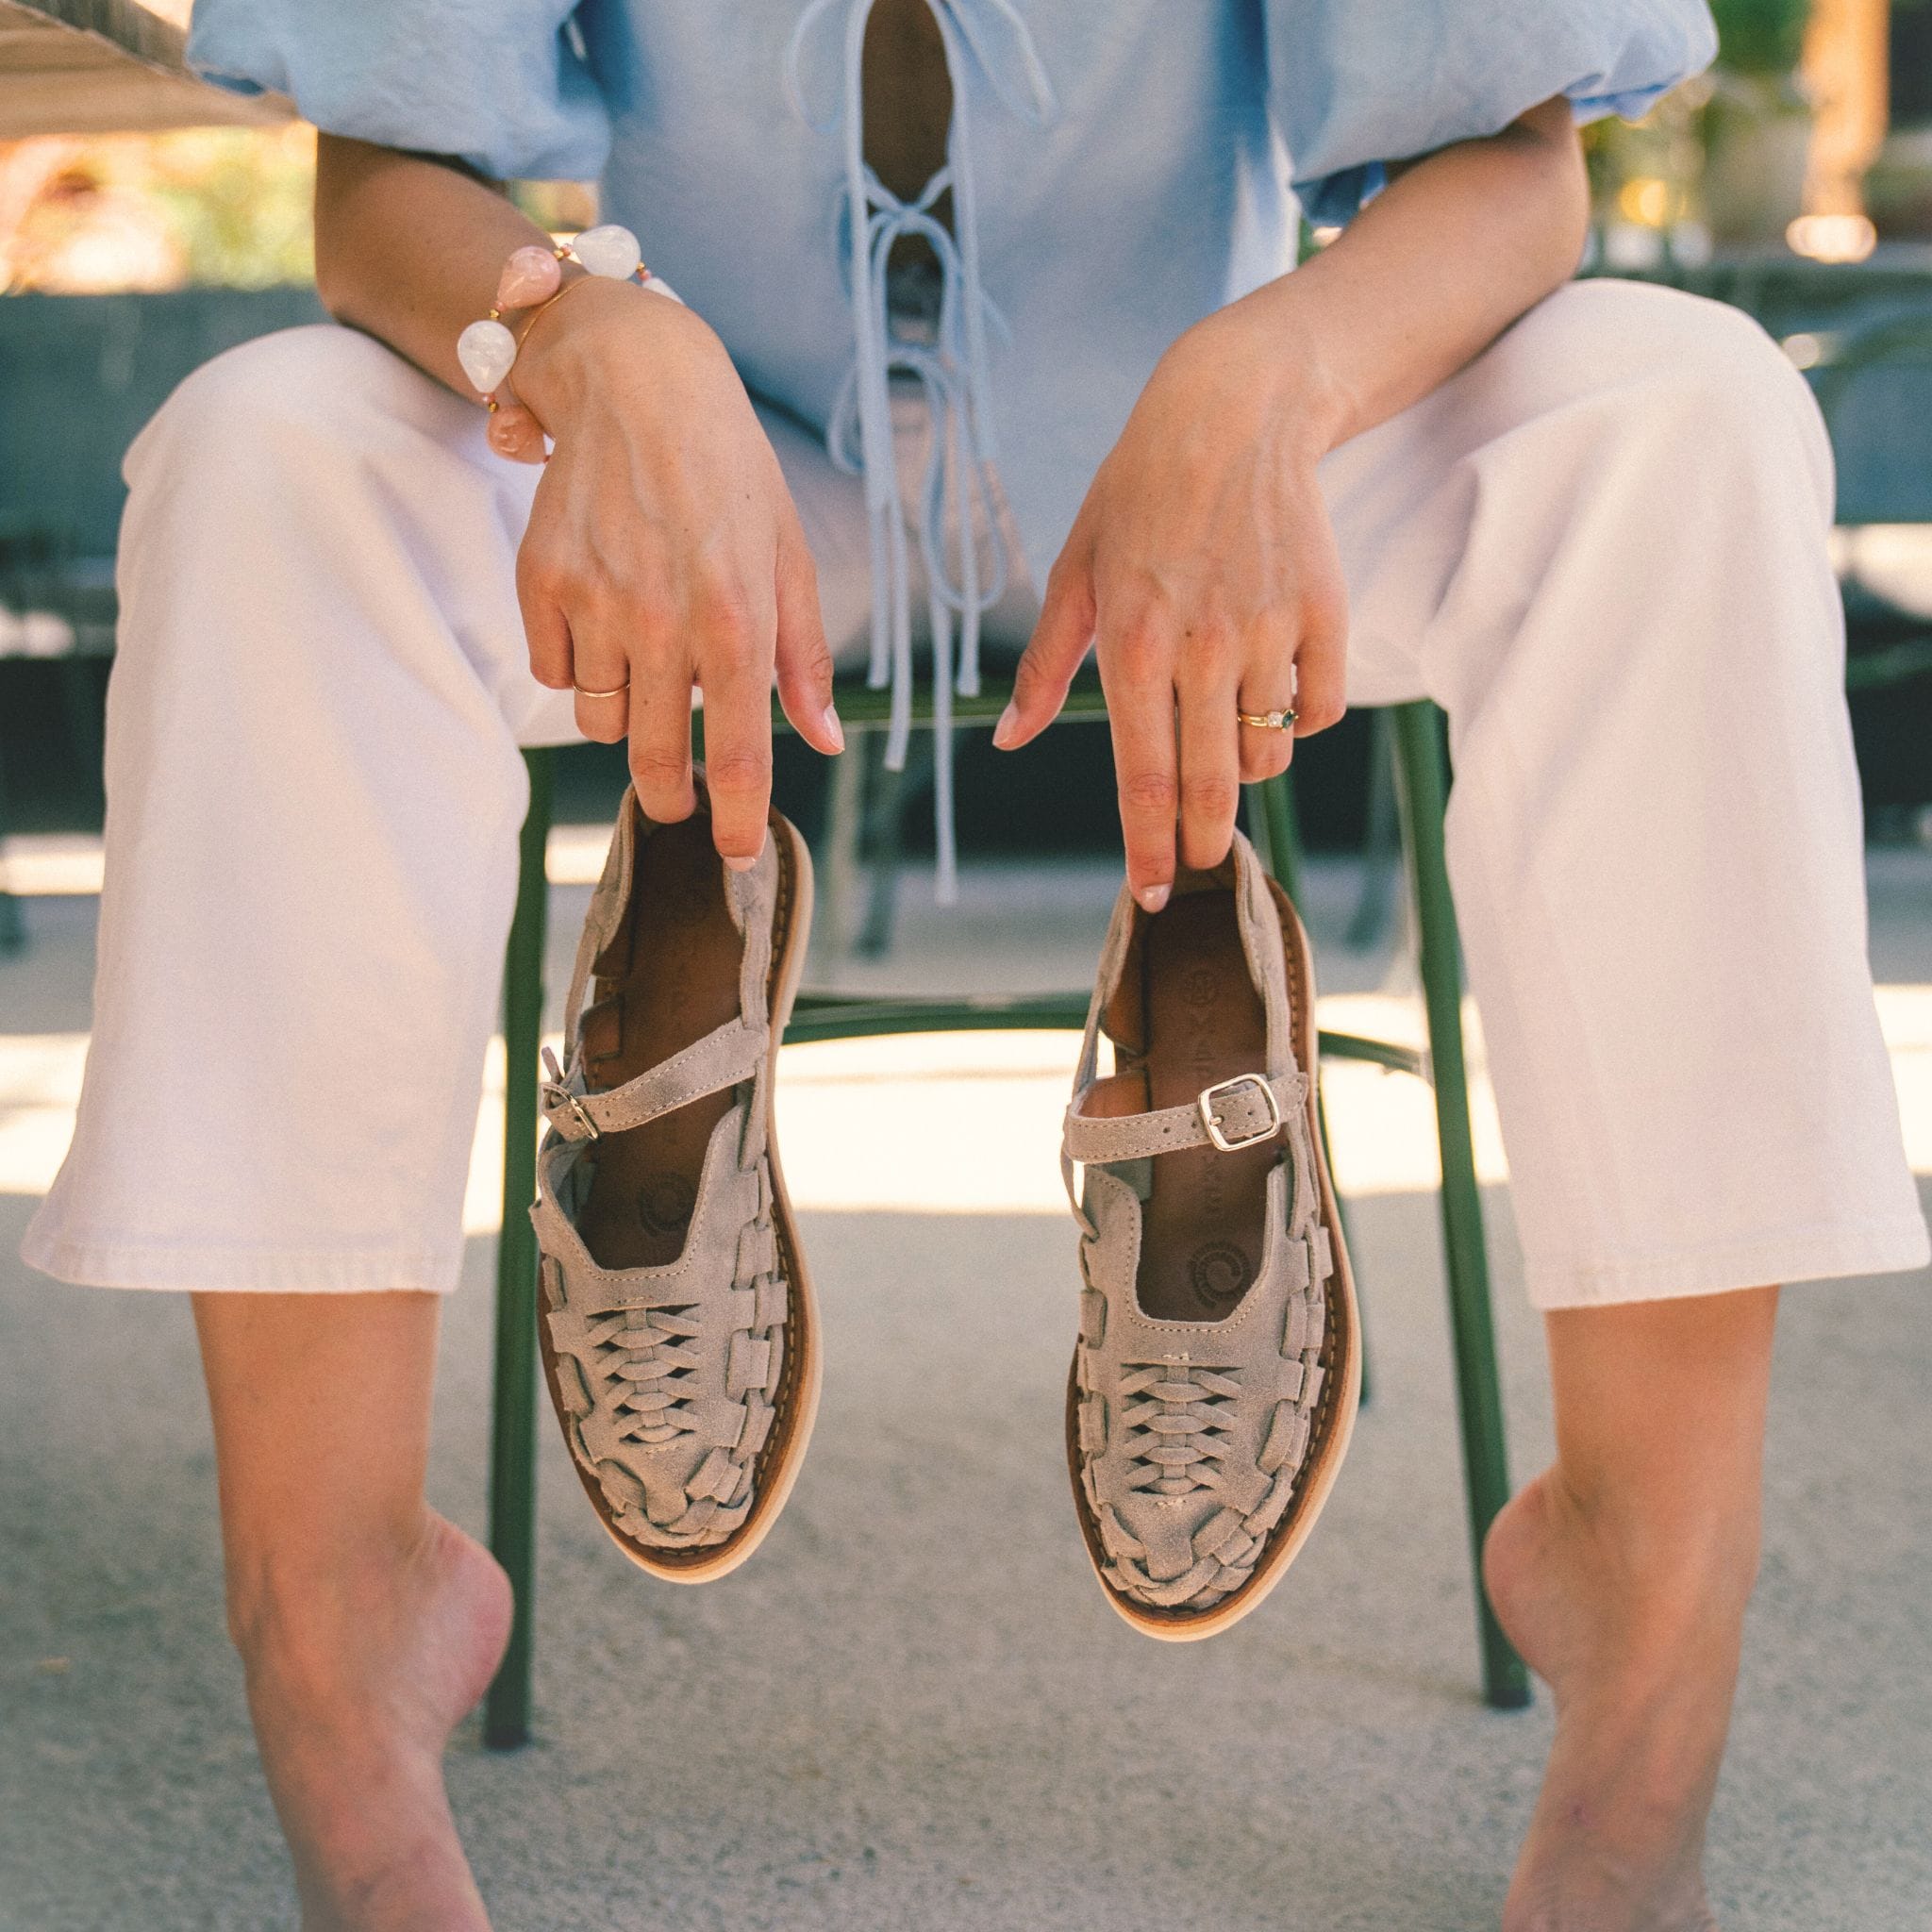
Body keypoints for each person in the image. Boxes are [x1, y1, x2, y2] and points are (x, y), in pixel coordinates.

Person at [23, 1, 1927, 1926]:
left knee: (1681, 414)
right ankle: (337, 1609)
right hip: (727, 471)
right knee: (263, 456)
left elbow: (1517, 170)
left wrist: (1272, 374)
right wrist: (582, 334)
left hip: (1237, 445)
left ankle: (1643, 1641)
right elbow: (379, 186)